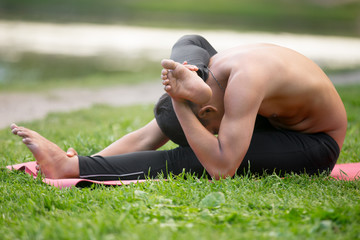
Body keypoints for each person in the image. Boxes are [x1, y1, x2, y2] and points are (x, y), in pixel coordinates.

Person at [10, 35, 347, 180]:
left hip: (317, 142)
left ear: (208, 111)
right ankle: (191, 71)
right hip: (274, 119)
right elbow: (147, 136)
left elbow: (222, 168)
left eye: (206, 124)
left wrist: (177, 102)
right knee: (192, 44)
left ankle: (73, 170)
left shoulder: (244, 84)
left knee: (198, 158)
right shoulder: (216, 69)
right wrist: (88, 160)